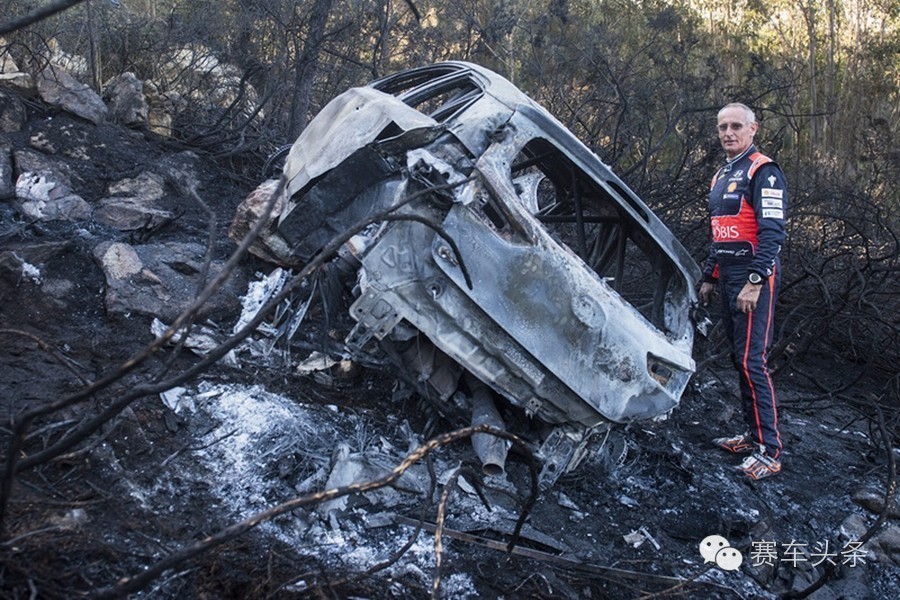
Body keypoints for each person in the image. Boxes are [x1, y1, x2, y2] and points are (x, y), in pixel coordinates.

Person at [699, 102, 787, 481]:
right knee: (739, 360)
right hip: (729, 275)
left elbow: (773, 233)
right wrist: (709, 275)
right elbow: (722, 230)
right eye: (722, 127)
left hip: (754, 279)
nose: (728, 133)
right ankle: (752, 438)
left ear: (754, 129)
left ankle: (770, 451)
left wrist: (754, 281)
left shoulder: (763, 171)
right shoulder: (722, 173)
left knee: (753, 361)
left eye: (736, 126)